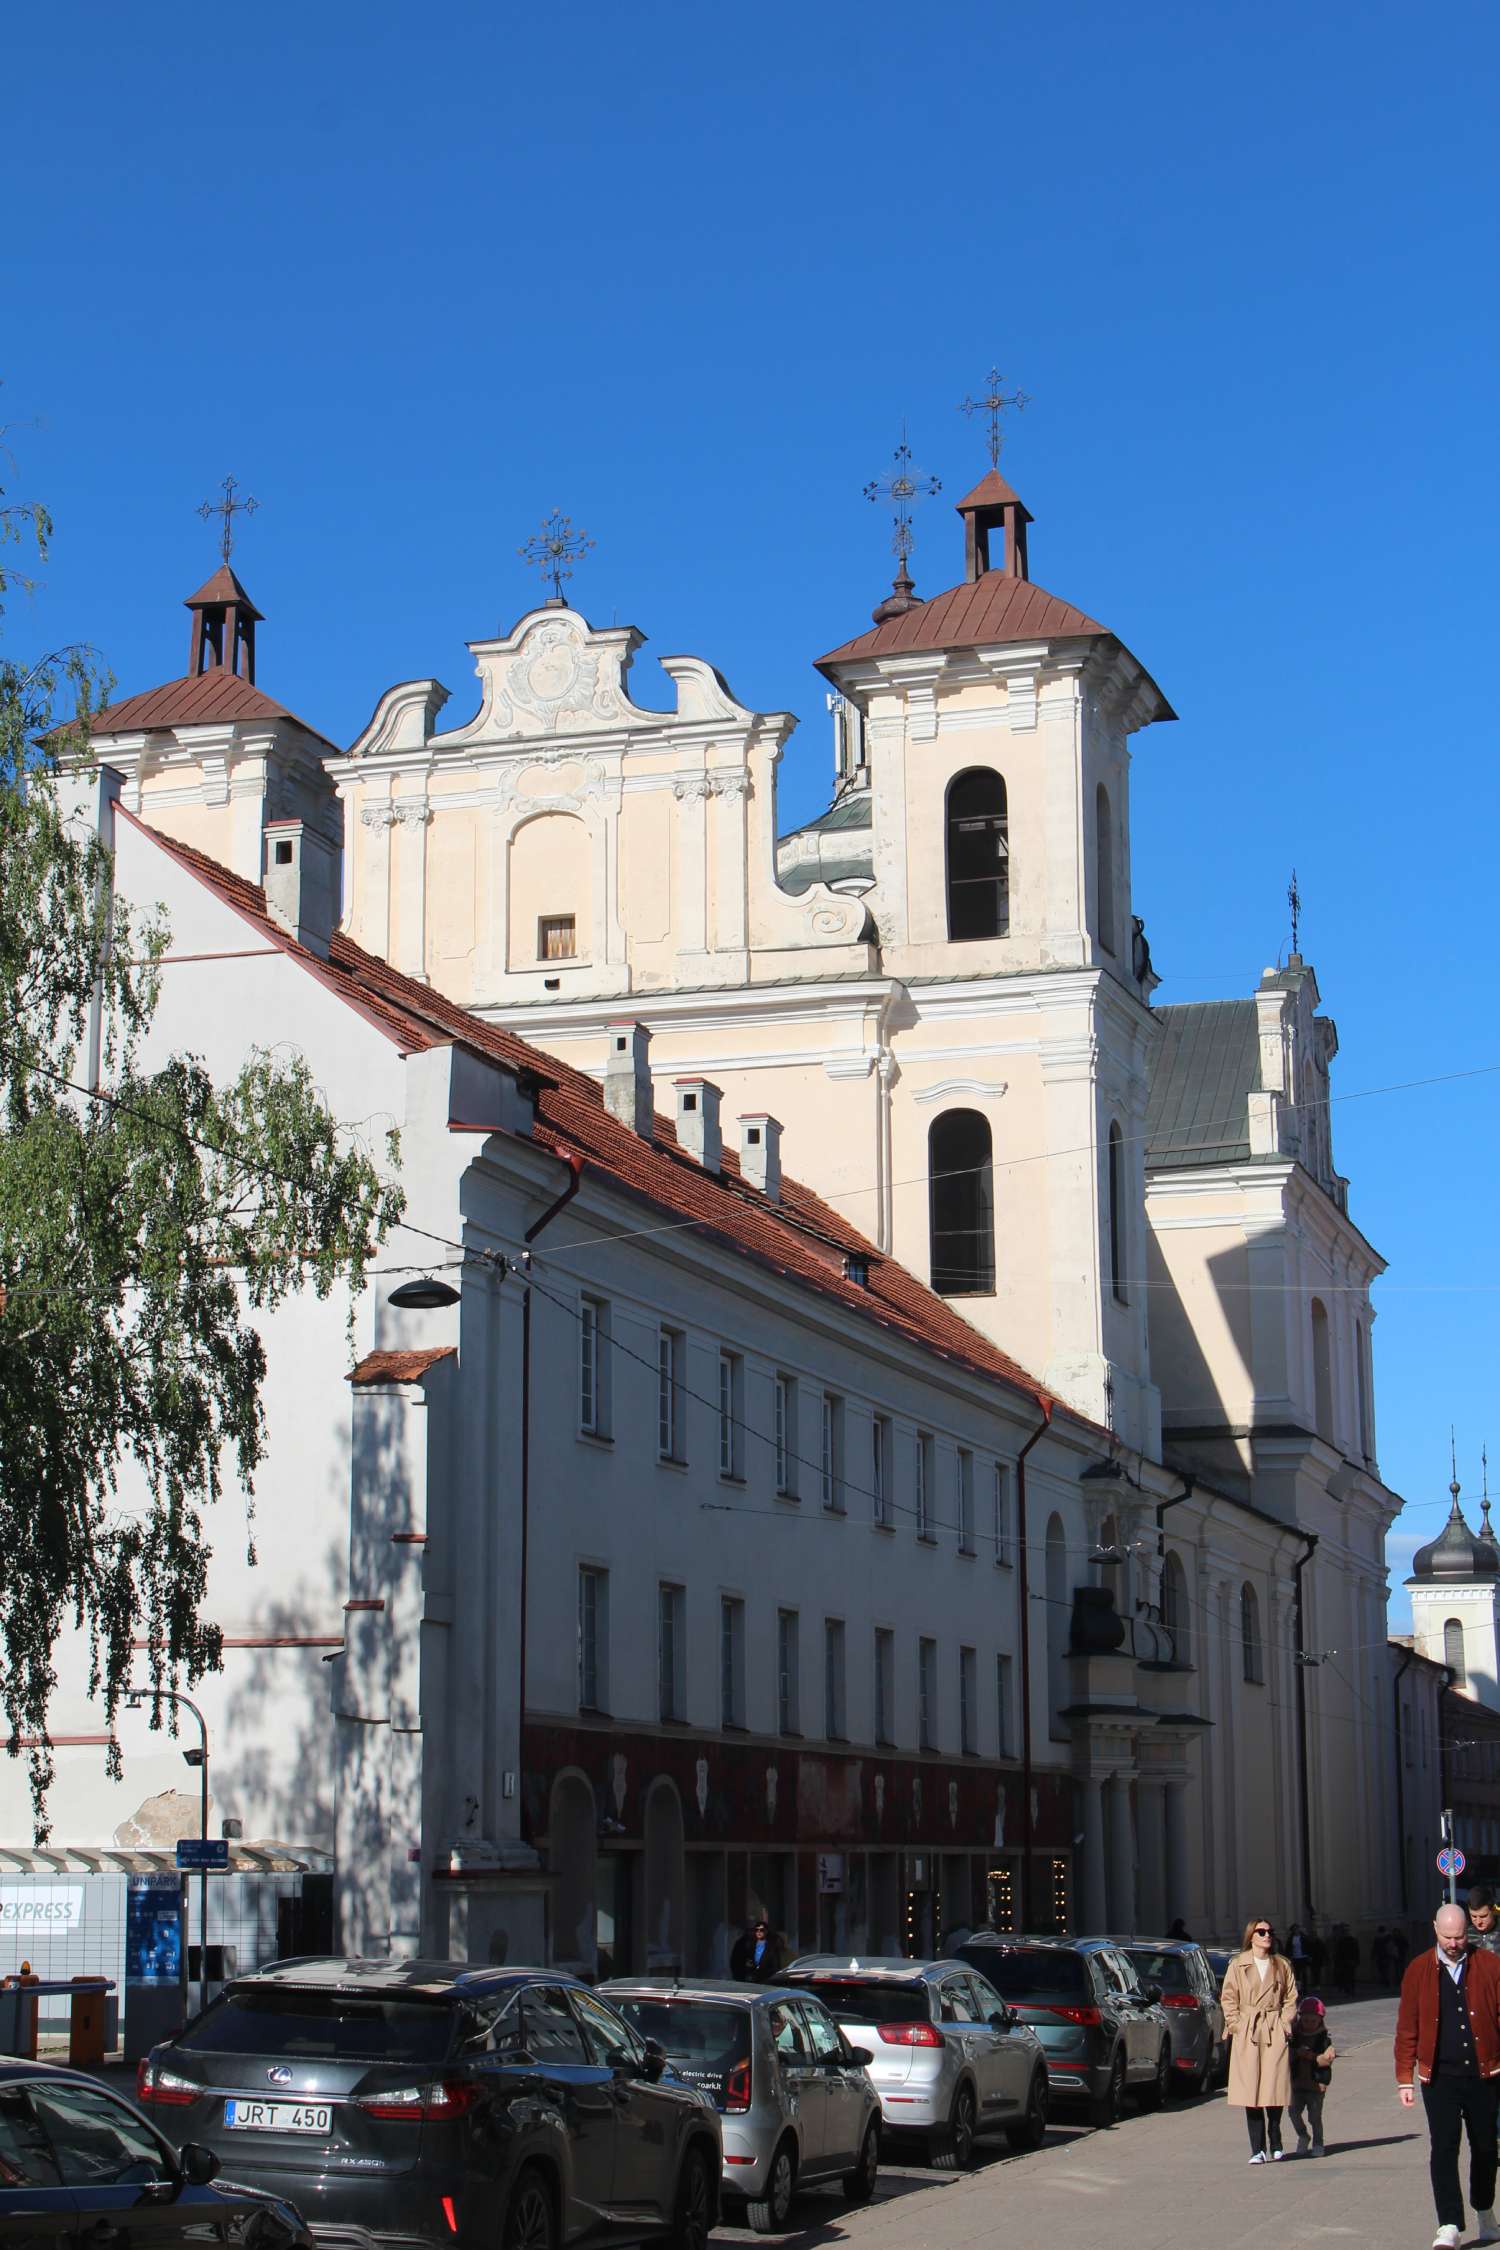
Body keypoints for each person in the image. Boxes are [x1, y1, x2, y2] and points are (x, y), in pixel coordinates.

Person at [1396, 1901, 1500, 2249]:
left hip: (1485, 2073)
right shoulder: (1418, 1969)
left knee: (1485, 2147)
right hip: (1438, 2076)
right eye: (1448, 1937)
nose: (1455, 1943)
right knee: (1444, 2147)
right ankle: (1449, 2223)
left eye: (1460, 1936)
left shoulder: (1488, 1965)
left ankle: (1484, 2210)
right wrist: (1404, 2078)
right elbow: (1407, 2025)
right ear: (1435, 1930)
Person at [1221, 1916, 1299, 2162]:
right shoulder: (1238, 1964)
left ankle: (1276, 2141)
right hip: (1248, 2030)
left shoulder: (1281, 1965)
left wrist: (1286, 2022)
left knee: (1273, 2087)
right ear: (1251, 1936)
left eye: (1269, 1932)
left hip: (1274, 2027)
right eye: (1261, 1932)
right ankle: (1257, 2149)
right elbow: (1228, 1997)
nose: (1267, 1936)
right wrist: (1235, 2024)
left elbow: (1291, 1997)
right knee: (1250, 2089)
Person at [1288, 1993, 1336, 2155]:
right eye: (1306, 2020)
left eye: (1313, 2021)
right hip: (1296, 2084)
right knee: (1293, 2113)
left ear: (1320, 2020)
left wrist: (1310, 2056)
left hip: (1316, 2085)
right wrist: (1296, 2053)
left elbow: (1326, 2059)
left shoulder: (1324, 2038)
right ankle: (1303, 2136)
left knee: (1315, 2117)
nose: (1309, 2024)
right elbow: (1286, 2054)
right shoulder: (1293, 2036)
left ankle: (1318, 2143)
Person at [730, 1915, 784, 1982]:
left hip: (766, 1980)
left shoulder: (770, 1944)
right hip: (746, 1979)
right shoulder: (741, 1944)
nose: (756, 1932)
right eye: (751, 1930)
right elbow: (736, 1963)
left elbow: (775, 1964)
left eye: (760, 1930)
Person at [1333, 1923, 1360, 1996]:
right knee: (1347, 1977)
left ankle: (1350, 1990)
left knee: (1350, 1977)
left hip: (1348, 1961)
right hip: (1346, 1961)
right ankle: (1349, 1990)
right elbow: (1339, 1952)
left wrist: (1356, 1960)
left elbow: (1356, 1951)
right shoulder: (1343, 1941)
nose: (1346, 1932)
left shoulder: (1351, 1940)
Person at [1470, 1888, 1500, 1956]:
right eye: (1474, 1916)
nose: (1478, 1922)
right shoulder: (1464, 1935)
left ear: (1493, 1910)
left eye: (1483, 1916)